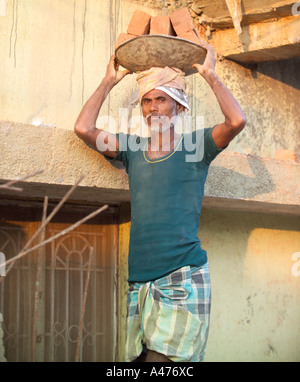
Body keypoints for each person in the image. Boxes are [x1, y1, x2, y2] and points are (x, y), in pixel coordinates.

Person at [74, 40, 246, 363]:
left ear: (179, 107)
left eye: (161, 100)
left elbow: (236, 121)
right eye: (147, 101)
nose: (152, 108)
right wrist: (109, 81)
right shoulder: (132, 149)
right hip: (139, 285)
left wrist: (210, 75)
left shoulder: (197, 146)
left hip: (182, 280)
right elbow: (83, 128)